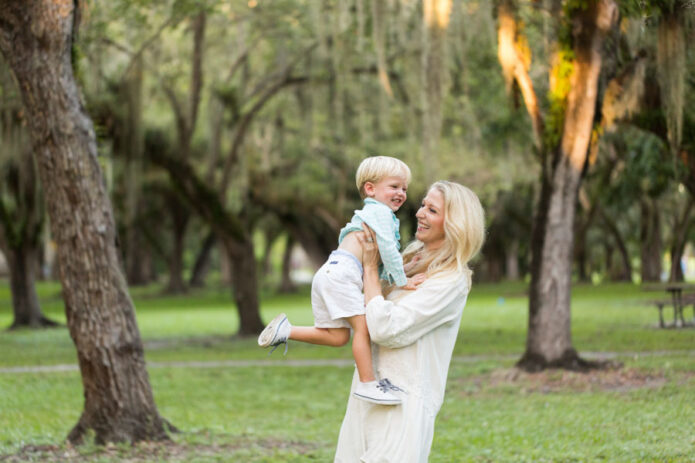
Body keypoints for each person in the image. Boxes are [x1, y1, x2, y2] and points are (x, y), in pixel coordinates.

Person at [334, 180, 485, 462]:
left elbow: (386, 329)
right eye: (423, 205)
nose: (419, 213)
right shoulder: (407, 259)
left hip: (401, 406)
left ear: (454, 224)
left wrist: (369, 269)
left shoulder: (451, 280)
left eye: (432, 209)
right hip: (366, 395)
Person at [258, 156, 425, 405]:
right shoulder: (380, 213)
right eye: (394, 186)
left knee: (338, 337)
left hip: (331, 273)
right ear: (370, 189)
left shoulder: (372, 215)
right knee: (364, 328)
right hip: (342, 276)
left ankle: (285, 330)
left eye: (404, 188)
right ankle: (369, 384)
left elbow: (376, 262)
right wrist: (402, 281)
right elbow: (387, 250)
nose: (401, 193)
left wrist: (405, 268)